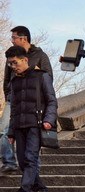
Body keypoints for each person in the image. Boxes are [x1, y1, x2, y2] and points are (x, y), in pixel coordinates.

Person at [4, 45, 57, 192]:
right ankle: (41, 190)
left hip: (36, 124)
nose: (13, 67)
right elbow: (13, 108)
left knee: (30, 158)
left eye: (15, 63)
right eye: (10, 64)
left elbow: (52, 101)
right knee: (22, 161)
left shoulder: (42, 76)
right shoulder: (14, 81)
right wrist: (11, 131)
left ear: (25, 59)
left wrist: (49, 119)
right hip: (19, 126)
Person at [1, 25, 52, 176]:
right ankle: (9, 162)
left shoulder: (40, 55)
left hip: (33, 103)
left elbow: (48, 76)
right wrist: (9, 95)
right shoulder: (12, 56)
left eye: (14, 38)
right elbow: (6, 79)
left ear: (23, 38)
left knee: (32, 141)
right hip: (15, 100)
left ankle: (33, 173)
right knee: (3, 129)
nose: (12, 41)